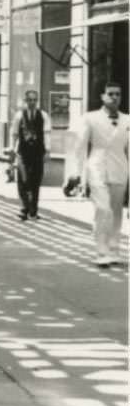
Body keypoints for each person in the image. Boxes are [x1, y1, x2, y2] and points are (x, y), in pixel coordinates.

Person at [68, 83, 129, 268]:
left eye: (118, 94)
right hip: (97, 167)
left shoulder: (127, 120)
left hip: (120, 168)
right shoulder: (90, 118)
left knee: (117, 210)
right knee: (103, 209)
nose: (115, 97)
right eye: (110, 94)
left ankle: (114, 249)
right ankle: (101, 251)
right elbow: (79, 147)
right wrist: (75, 173)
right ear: (103, 96)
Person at [11, 90, 51, 221]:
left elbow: (47, 134)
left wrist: (48, 151)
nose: (33, 103)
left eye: (35, 100)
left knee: (35, 181)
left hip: (38, 152)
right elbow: (15, 133)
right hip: (23, 152)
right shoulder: (19, 116)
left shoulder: (43, 115)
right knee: (23, 180)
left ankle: (33, 210)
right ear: (25, 101)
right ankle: (24, 209)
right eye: (30, 100)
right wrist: (13, 149)